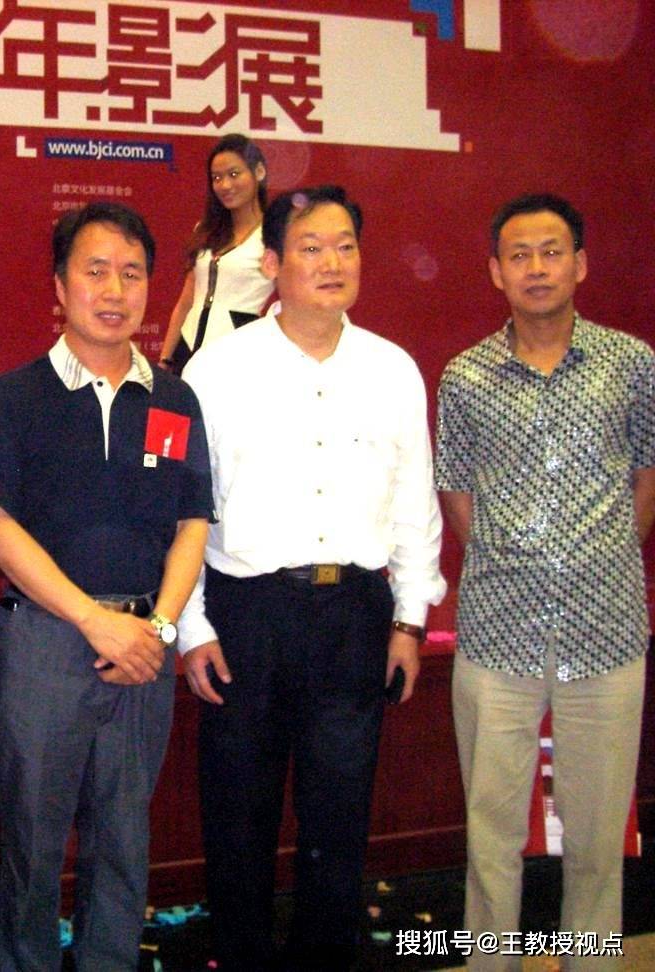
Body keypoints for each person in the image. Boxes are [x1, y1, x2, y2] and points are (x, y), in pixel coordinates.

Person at [177, 185, 447, 970]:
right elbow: (184, 510)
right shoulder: (216, 371)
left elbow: (415, 502)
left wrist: (408, 619)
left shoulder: (393, 369)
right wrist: (191, 627)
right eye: (311, 247)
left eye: (345, 246)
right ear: (271, 264)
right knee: (239, 815)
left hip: (354, 614)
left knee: (340, 815)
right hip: (247, 614)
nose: (332, 263)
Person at [0, 201, 212, 970]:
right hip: (44, 643)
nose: (114, 290)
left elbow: (192, 524)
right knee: (33, 842)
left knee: (123, 838)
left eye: (132, 273)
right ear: (60, 285)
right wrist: (90, 619)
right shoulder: (15, 397)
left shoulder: (173, 399)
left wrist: (161, 628)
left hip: (145, 645)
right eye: (96, 270)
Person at [436, 194, 653, 972]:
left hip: (607, 632)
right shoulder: (465, 378)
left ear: (580, 264)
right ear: (496, 271)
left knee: (596, 841)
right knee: (491, 835)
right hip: (498, 636)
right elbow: (457, 495)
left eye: (552, 251)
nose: (536, 268)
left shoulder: (632, 365)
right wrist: (518, 563)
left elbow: (647, 479)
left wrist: (595, 556)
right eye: (519, 254)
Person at [158, 134, 273, 373]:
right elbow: (186, 300)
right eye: (217, 178)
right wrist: (165, 359)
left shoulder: (274, 235)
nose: (225, 185)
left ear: (259, 172)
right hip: (187, 346)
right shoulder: (206, 229)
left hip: (238, 352)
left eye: (234, 174)